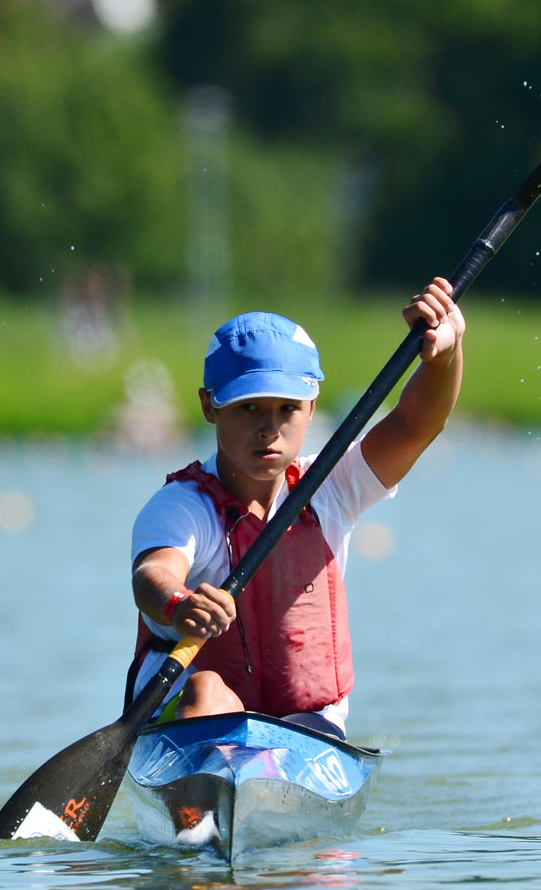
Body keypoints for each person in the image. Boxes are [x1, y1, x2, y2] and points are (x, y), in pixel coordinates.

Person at [125, 277, 465, 738]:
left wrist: (445, 353)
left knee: (307, 726)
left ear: (311, 407)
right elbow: (152, 576)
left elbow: (416, 424)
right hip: (187, 718)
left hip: (305, 727)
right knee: (206, 689)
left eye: (286, 408)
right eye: (248, 409)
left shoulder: (333, 487)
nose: (269, 429)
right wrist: (180, 603)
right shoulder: (183, 506)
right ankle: (201, 803)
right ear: (210, 407)